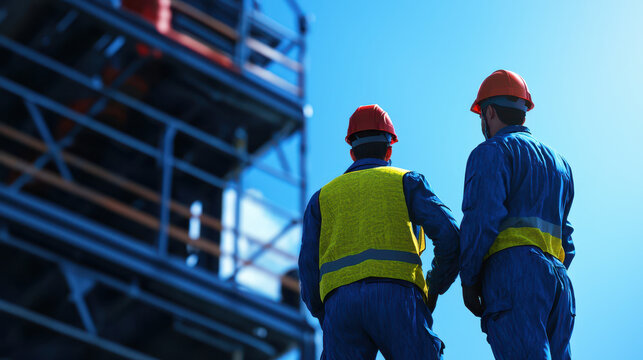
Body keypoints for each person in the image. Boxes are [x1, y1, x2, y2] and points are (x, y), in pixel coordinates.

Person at [298, 104, 460, 359]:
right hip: (398, 298)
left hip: (340, 306)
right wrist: (434, 286)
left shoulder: (321, 198)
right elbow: (449, 235)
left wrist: (324, 312)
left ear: (352, 152)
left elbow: (308, 271)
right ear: (389, 150)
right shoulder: (407, 181)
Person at [460, 70, 576, 359]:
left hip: (512, 276)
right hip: (559, 284)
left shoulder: (491, 151)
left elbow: (482, 218)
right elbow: (567, 239)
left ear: (488, 113)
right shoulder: (561, 164)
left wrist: (469, 280)